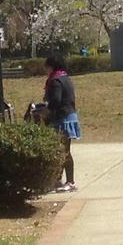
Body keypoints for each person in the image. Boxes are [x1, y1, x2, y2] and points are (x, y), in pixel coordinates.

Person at [42, 53, 79, 192]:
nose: (45, 70)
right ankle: (58, 180)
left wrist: (46, 111)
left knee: (64, 151)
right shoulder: (65, 77)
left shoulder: (56, 80)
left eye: (46, 67)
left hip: (63, 119)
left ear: (51, 66)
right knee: (62, 151)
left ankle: (70, 182)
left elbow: (56, 101)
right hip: (69, 116)